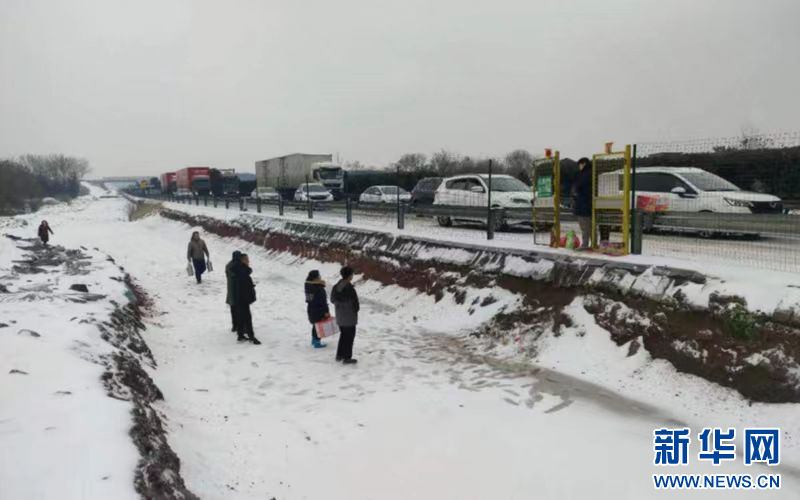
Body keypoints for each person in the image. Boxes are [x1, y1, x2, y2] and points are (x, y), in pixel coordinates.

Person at [331, 266, 359, 365]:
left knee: (343, 335)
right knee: (349, 337)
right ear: (350, 275)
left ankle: (339, 355)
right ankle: (347, 357)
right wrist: (355, 310)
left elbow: (332, 300)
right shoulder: (349, 288)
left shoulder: (336, 286)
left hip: (340, 316)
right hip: (349, 317)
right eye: (352, 274)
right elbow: (355, 304)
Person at [233, 253, 261, 345]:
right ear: (242, 261)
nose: (248, 261)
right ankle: (251, 336)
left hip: (240, 297)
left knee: (241, 317)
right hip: (243, 298)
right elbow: (243, 285)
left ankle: (240, 335)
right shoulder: (243, 271)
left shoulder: (240, 270)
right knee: (247, 318)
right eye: (247, 259)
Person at [304, 270, 329, 349]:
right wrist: (326, 311)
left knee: (315, 325)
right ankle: (316, 341)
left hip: (311, 308)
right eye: (319, 276)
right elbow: (322, 301)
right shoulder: (317, 288)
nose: (320, 277)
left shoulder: (308, 285)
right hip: (319, 309)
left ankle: (314, 340)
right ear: (315, 278)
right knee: (318, 325)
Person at [572, 157, 593, 250]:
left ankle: (585, 245)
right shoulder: (590, 172)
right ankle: (593, 244)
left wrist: (575, 191)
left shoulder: (585, 174)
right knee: (590, 226)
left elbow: (579, 186)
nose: (579, 167)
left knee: (585, 226)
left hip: (583, 204)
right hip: (587, 203)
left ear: (583, 163)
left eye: (579, 165)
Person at [225, 250, 242, 333]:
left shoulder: (228, 265)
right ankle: (239, 326)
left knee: (233, 309)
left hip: (231, 291)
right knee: (239, 309)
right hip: (237, 291)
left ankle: (234, 326)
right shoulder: (237, 266)